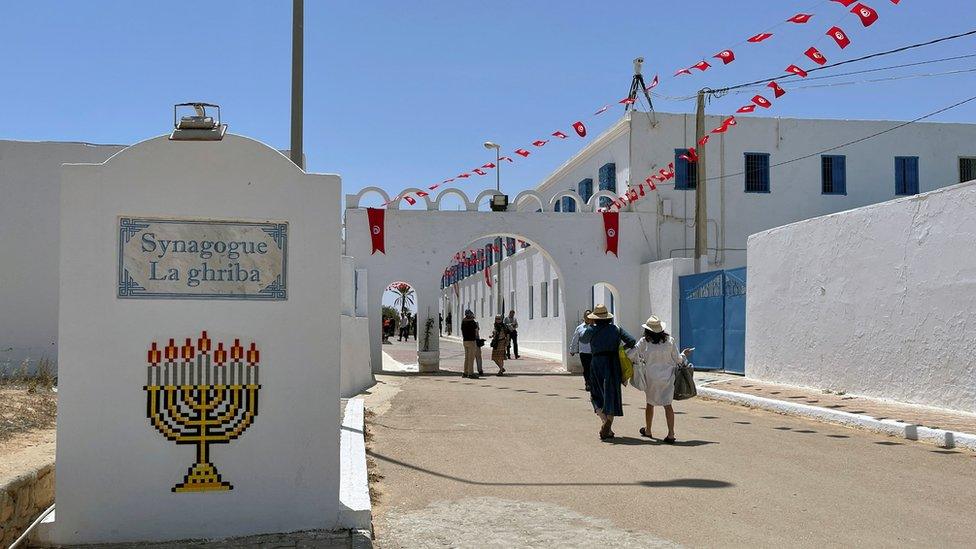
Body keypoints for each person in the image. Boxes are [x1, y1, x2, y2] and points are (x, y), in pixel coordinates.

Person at [631, 315, 693, 444]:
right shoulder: (670, 341)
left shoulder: (644, 341)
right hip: (668, 377)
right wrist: (684, 354)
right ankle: (671, 434)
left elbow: (632, 354)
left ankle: (648, 430)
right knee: (668, 405)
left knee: (650, 404)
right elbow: (678, 360)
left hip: (651, 378)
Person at [586, 304, 636, 441]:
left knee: (596, 395)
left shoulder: (591, 330)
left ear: (595, 318)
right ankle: (608, 424)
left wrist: (590, 325)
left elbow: (582, 339)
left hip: (596, 363)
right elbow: (632, 341)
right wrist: (619, 349)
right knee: (611, 394)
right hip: (613, 363)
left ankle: (604, 422)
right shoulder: (616, 329)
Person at [569, 310, 594, 392]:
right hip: (584, 352)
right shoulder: (580, 328)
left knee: (593, 368)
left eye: (590, 315)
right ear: (584, 317)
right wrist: (572, 350)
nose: (588, 317)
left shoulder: (595, 327)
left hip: (594, 352)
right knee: (586, 369)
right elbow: (575, 339)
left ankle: (594, 383)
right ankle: (588, 383)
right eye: (586, 315)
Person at [460, 309, 483, 379]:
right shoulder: (473, 322)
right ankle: (471, 373)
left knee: (466, 358)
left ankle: (465, 372)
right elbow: (476, 331)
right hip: (472, 341)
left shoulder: (463, 322)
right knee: (471, 358)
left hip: (465, 341)